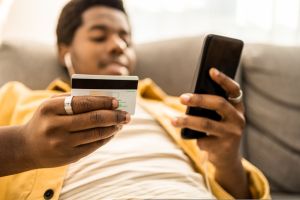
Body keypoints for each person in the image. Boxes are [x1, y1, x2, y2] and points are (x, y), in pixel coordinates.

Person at [0, 0, 269, 199]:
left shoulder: (179, 109)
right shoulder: (17, 100)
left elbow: (241, 194)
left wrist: (226, 158)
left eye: (125, 38)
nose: (118, 45)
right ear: (64, 51)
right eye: (99, 36)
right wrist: (24, 145)